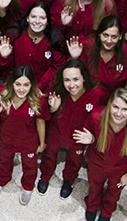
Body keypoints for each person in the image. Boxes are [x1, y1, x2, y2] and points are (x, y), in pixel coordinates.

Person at [73, 88, 127, 221]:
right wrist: (91, 139)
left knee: (114, 191)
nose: (119, 113)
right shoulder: (96, 116)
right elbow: (87, 136)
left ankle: (107, 210)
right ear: (109, 105)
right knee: (94, 186)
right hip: (97, 162)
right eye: (115, 107)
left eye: (125, 109)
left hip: (120, 168)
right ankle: (92, 205)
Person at [38, 59, 104, 198]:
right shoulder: (57, 90)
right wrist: (53, 108)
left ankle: (69, 180)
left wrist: (93, 137)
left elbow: (103, 119)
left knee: (75, 159)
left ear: (84, 78)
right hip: (57, 130)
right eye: (67, 80)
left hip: (79, 135)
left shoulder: (96, 93)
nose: (72, 85)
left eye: (76, 79)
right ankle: (45, 176)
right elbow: (45, 113)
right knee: (49, 154)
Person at [0, 65, 49, 205]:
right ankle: (2, 180)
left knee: (30, 166)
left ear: (32, 84)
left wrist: (42, 142)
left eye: (26, 85)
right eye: (18, 84)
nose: (22, 89)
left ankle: (28, 187)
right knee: (3, 162)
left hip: (28, 140)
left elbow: (40, 122)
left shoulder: (38, 98)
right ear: (11, 83)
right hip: (5, 138)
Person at [0, 2, 65, 88]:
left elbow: (57, 67)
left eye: (42, 18)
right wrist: (4, 57)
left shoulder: (55, 39)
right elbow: (5, 66)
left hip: (43, 88)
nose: (37, 21)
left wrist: (39, 87)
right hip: (15, 86)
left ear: (47, 21)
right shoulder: (14, 34)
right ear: (27, 18)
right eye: (33, 17)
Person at [67, 16, 127, 96]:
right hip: (89, 95)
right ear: (99, 34)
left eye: (114, 37)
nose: (109, 41)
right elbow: (70, 75)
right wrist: (74, 58)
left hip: (116, 97)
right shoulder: (88, 45)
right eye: (105, 35)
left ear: (120, 36)